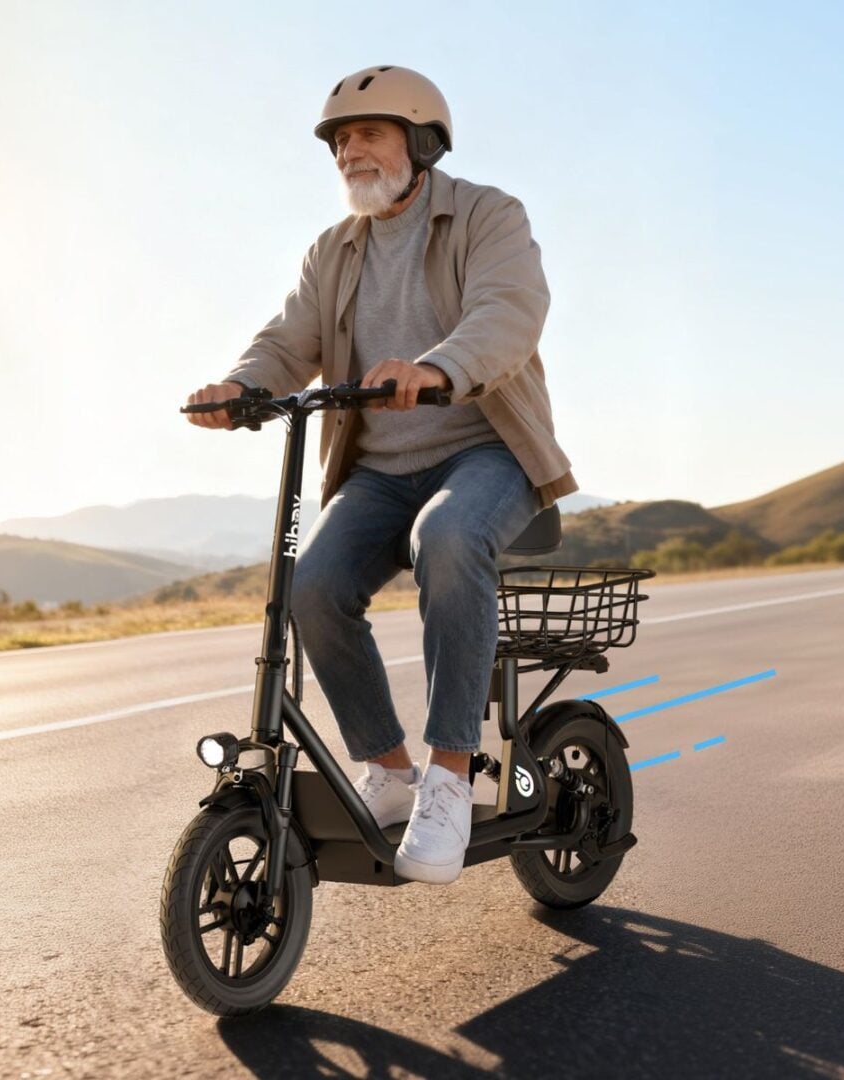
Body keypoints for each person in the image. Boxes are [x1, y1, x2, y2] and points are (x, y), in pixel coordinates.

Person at [185, 65, 575, 884]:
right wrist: (241, 385)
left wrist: (436, 369)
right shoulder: (333, 251)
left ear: (423, 140)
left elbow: (508, 313)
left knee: (448, 534)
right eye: (338, 141)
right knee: (313, 584)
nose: (348, 151)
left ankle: (450, 779)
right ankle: (392, 770)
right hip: (379, 470)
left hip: (487, 453)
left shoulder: (487, 215)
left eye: (367, 132)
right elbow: (287, 343)